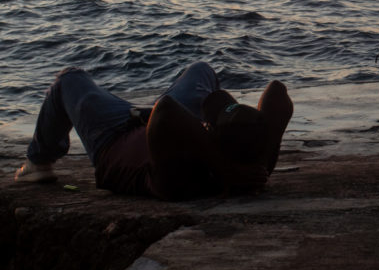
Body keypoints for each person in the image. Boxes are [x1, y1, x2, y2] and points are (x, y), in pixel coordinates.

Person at [14, 62, 293, 200]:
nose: (206, 125)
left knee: (70, 79)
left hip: (114, 137)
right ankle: (146, 111)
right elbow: (277, 93)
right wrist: (266, 136)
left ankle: (39, 162)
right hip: (158, 121)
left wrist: (224, 169)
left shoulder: (181, 179)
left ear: (211, 135)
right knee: (201, 70)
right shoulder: (259, 161)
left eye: (209, 126)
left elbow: (166, 112)